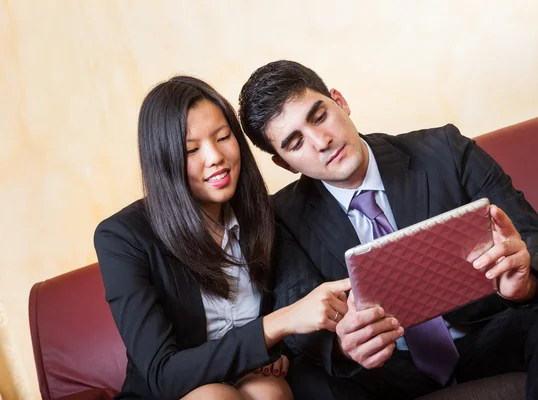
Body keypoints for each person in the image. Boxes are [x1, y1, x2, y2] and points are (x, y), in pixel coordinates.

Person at [237, 60, 538, 400]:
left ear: (339, 101)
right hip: (385, 369)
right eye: (296, 142)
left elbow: (535, 238)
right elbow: (300, 316)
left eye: (319, 116)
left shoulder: (445, 149)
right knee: (307, 381)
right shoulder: (280, 216)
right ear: (283, 163)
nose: (321, 141)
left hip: (485, 335)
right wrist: (342, 345)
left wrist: (525, 281)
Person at [94, 76, 352, 400]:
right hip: (172, 395)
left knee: (268, 390)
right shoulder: (121, 237)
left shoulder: (264, 215)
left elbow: (293, 310)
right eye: (191, 150)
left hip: (253, 385)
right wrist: (274, 327)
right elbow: (164, 375)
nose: (215, 157)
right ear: (163, 161)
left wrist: (280, 350)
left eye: (223, 137)